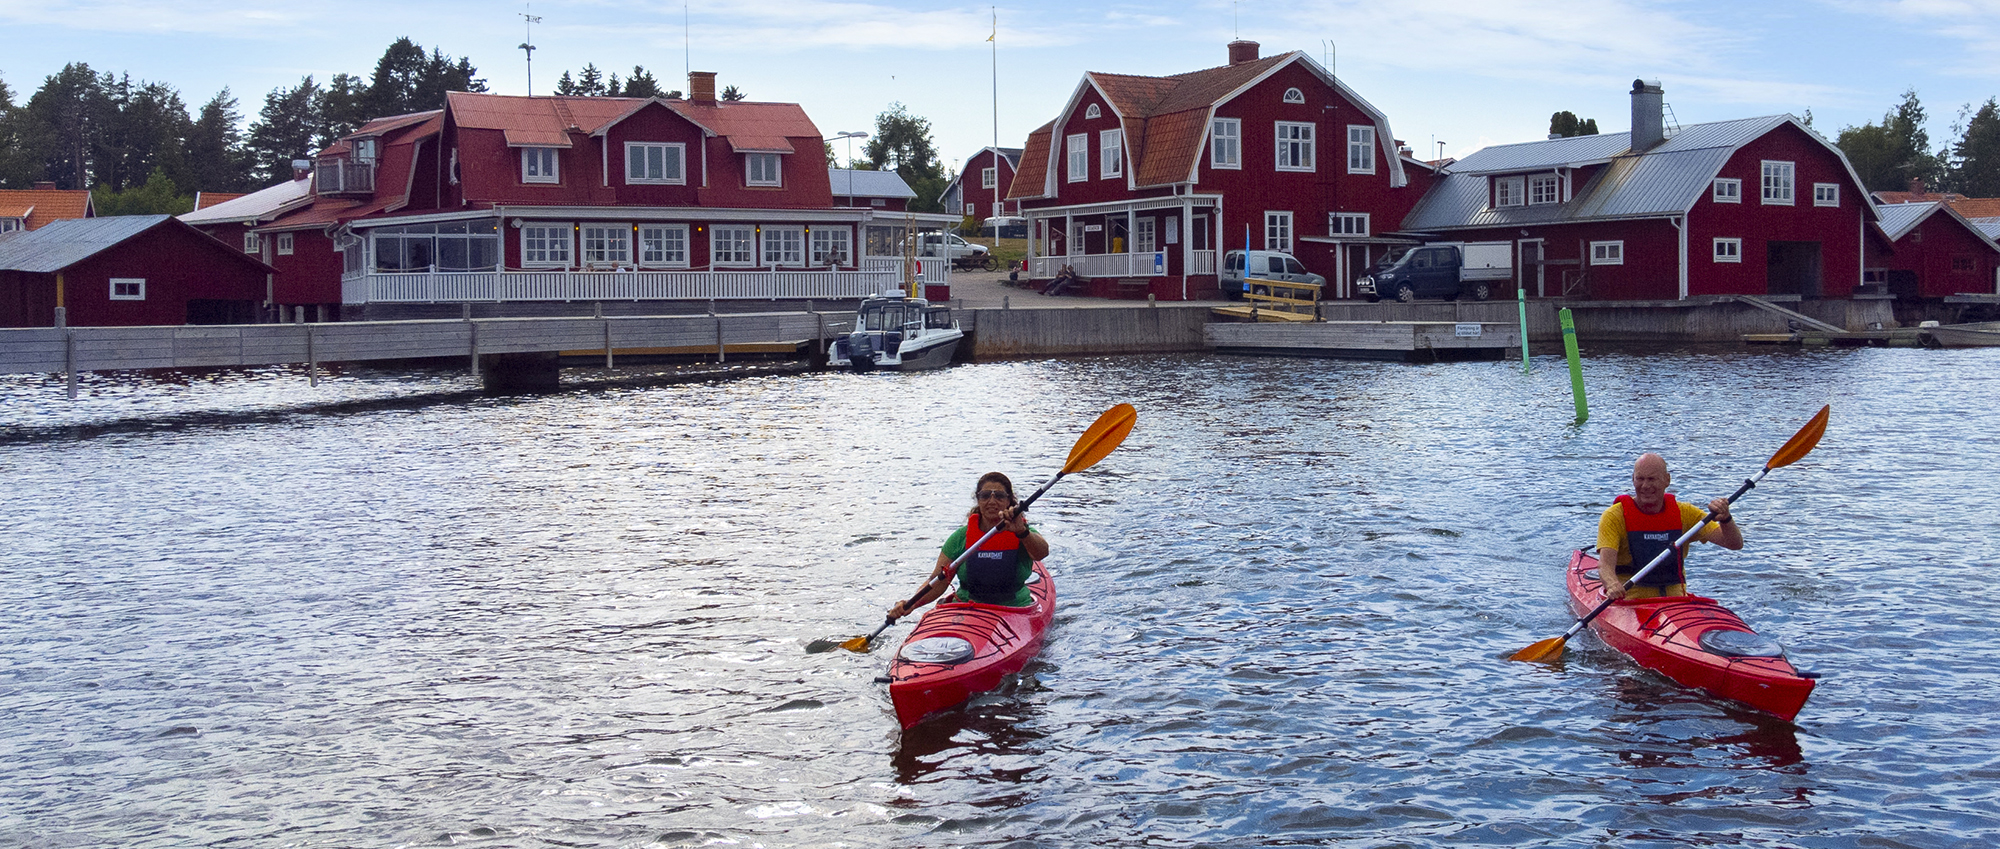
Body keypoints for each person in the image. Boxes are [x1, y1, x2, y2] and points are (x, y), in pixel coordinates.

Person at [888, 471, 1051, 618]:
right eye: (986, 495)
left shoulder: (1022, 530)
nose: (992, 501)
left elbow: (1041, 553)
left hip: (1013, 609)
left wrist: (1022, 531)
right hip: (967, 609)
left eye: (999, 496)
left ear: (1009, 500)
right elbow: (938, 580)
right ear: (978, 499)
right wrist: (911, 604)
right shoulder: (961, 537)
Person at [1596, 452, 1744, 600]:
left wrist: (1726, 519)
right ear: (1633, 479)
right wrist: (1612, 584)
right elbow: (1605, 566)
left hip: (1676, 602)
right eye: (1640, 479)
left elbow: (1734, 544)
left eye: (1652, 479)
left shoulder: (1685, 513)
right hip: (1631, 602)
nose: (1645, 486)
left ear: (1667, 480)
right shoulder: (1614, 516)